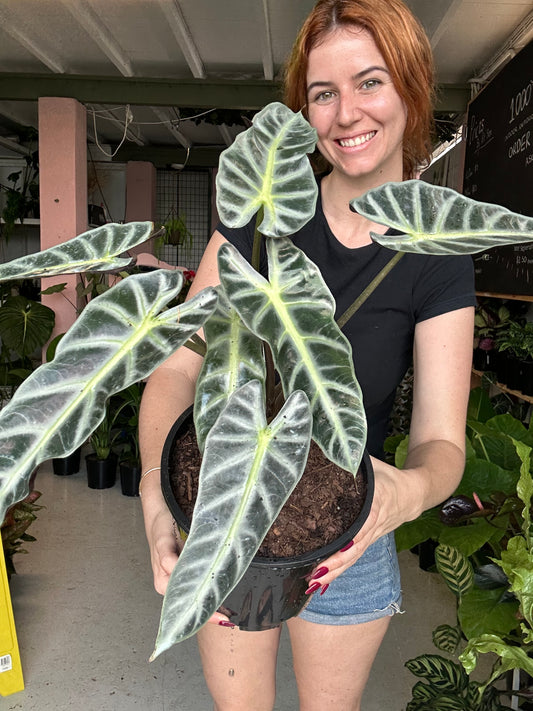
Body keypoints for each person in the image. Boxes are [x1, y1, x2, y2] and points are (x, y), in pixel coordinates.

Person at [138, 0, 476, 708]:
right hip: (228, 501)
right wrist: (151, 487)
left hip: (347, 522)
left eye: (369, 82)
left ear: (411, 91)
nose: (345, 112)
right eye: (322, 93)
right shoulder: (259, 216)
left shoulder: (434, 256)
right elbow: (179, 364)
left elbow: (441, 442)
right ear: (302, 113)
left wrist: (404, 493)